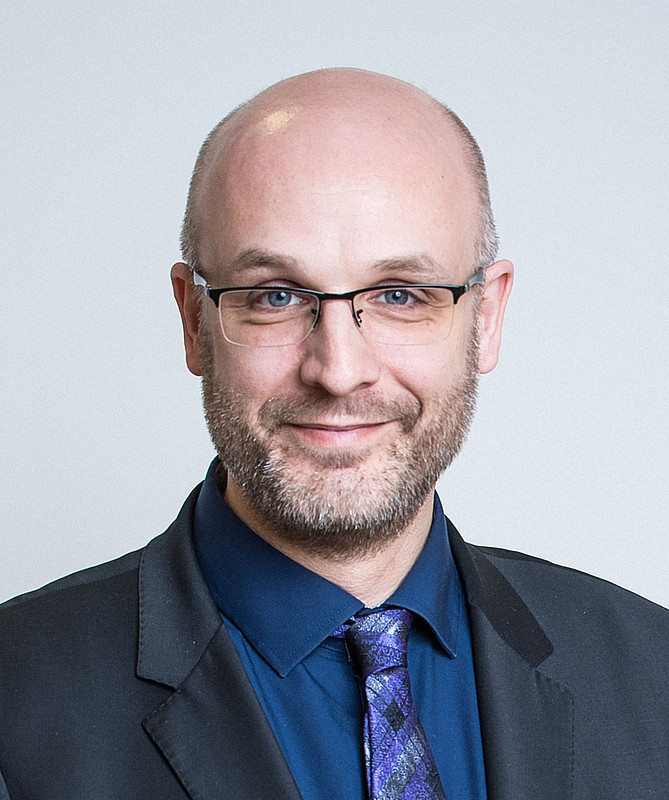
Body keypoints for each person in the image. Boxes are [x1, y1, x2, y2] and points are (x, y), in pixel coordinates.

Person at [0, 69, 667, 800]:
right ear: (194, 321)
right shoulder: (15, 700)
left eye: (400, 295)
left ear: (485, 318)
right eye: (275, 296)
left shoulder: (652, 673)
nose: (339, 372)